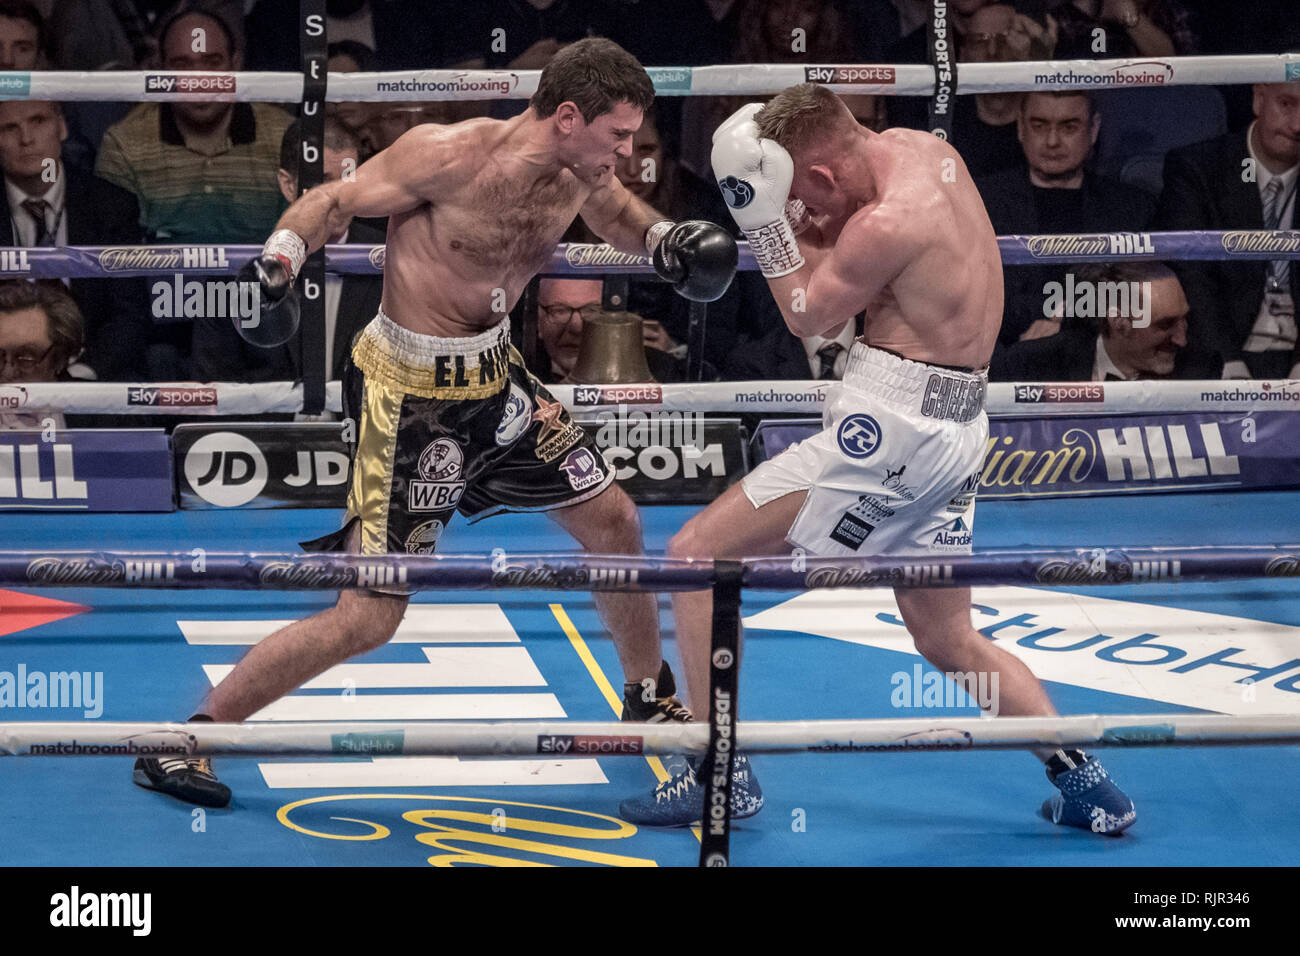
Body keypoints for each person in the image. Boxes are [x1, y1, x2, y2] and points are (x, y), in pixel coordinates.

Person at [132, 37, 738, 808]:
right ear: (566, 116)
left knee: (615, 522)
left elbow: (615, 211)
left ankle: (646, 694)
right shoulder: (449, 156)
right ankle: (190, 735)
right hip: (406, 393)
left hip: (496, 379)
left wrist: (661, 240)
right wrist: (280, 261)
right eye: (617, 134)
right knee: (369, 616)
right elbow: (336, 201)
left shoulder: (581, 169)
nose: (627, 150)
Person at [619, 83, 1136, 835]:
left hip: (889, 434)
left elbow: (807, 314)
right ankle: (1087, 783)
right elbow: (849, 244)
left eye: (809, 196)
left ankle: (716, 771)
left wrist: (766, 221)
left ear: (821, 175)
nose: (814, 211)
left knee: (694, 558)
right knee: (945, 636)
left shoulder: (886, 222)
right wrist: (801, 217)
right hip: (955, 432)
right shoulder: (929, 155)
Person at [191, 117, 385, 383]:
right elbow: (215, 385)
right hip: (267, 421)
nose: (343, 198)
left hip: (360, 423)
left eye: (350, 180)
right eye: (324, 182)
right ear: (288, 185)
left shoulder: (388, 258)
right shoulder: (235, 269)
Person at [977, 90, 1156, 344]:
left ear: (1093, 129)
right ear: (1020, 127)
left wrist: (1065, 325)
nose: (1052, 141)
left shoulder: (1132, 208)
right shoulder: (980, 201)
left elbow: (1139, 299)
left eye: (1069, 127)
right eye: (1039, 126)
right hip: (1002, 357)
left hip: (1097, 351)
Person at [1157, 81, 1300, 379]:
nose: (1297, 125)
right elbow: (1191, 272)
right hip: (1222, 350)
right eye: (1286, 104)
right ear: (1259, 99)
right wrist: (1228, 360)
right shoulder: (1199, 168)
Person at [0, 99, 150, 381]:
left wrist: (78, 378)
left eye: (38, 121)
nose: (26, 139)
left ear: (62, 126)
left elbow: (130, 316)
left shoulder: (112, 205)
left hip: (90, 369)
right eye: (9, 128)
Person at [990, 261, 1222, 380]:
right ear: (1118, 321)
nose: (1181, 340)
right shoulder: (1034, 364)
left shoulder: (1201, 368)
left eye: (1184, 320)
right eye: (1165, 325)